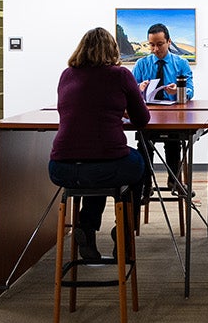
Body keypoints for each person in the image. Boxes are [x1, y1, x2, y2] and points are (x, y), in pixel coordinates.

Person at [48, 27, 150, 262]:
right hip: (106, 164)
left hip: (61, 168)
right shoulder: (120, 75)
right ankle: (124, 230)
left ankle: (86, 227)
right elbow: (141, 120)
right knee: (136, 164)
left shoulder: (67, 74)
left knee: (95, 171)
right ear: (112, 49)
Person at [131, 23, 194, 194]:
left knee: (173, 142)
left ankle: (174, 181)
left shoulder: (181, 63)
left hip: (172, 114)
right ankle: (145, 184)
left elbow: (190, 90)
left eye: (160, 44)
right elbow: (129, 93)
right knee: (143, 144)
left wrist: (178, 91)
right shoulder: (141, 64)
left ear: (168, 42)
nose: (155, 49)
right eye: (151, 44)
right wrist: (138, 89)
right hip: (147, 115)